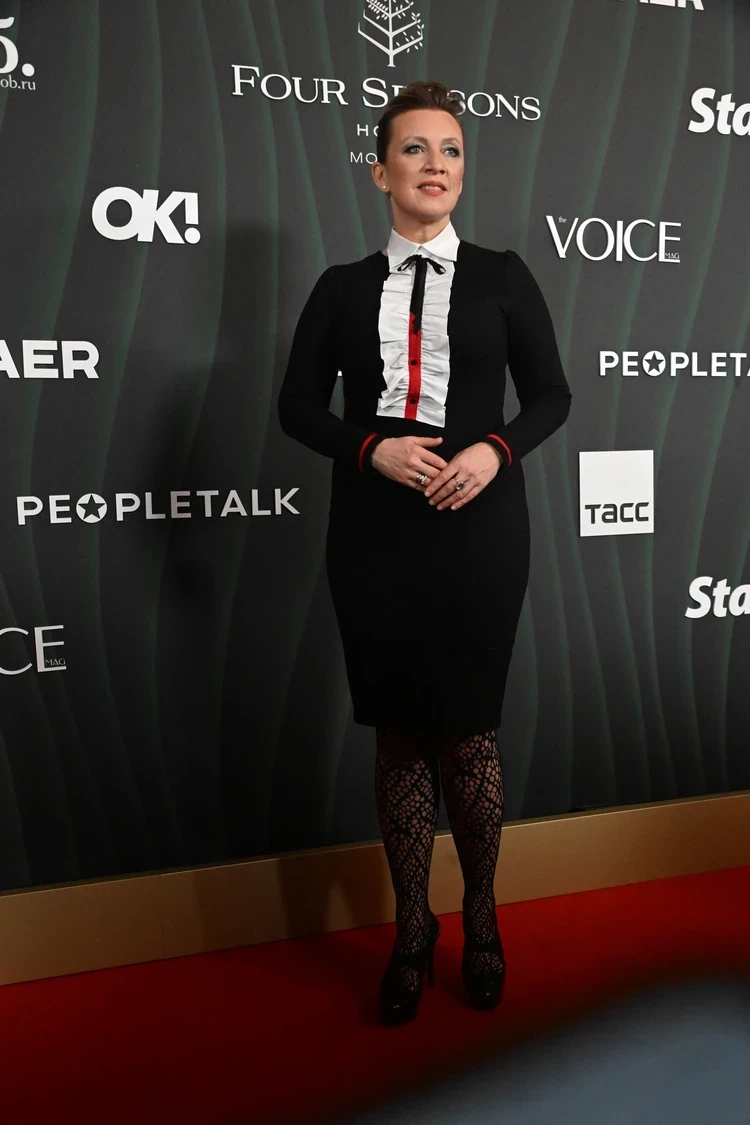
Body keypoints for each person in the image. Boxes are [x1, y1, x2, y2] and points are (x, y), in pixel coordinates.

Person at [278, 80, 571, 1027]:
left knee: (470, 734)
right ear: (380, 172)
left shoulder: (504, 274)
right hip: (376, 534)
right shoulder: (340, 287)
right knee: (400, 734)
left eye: (450, 149)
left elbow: (553, 395)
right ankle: (414, 928)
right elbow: (296, 407)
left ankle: (481, 919)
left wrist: (494, 451)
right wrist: (371, 448)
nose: (435, 164)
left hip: (480, 531)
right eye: (414, 148)